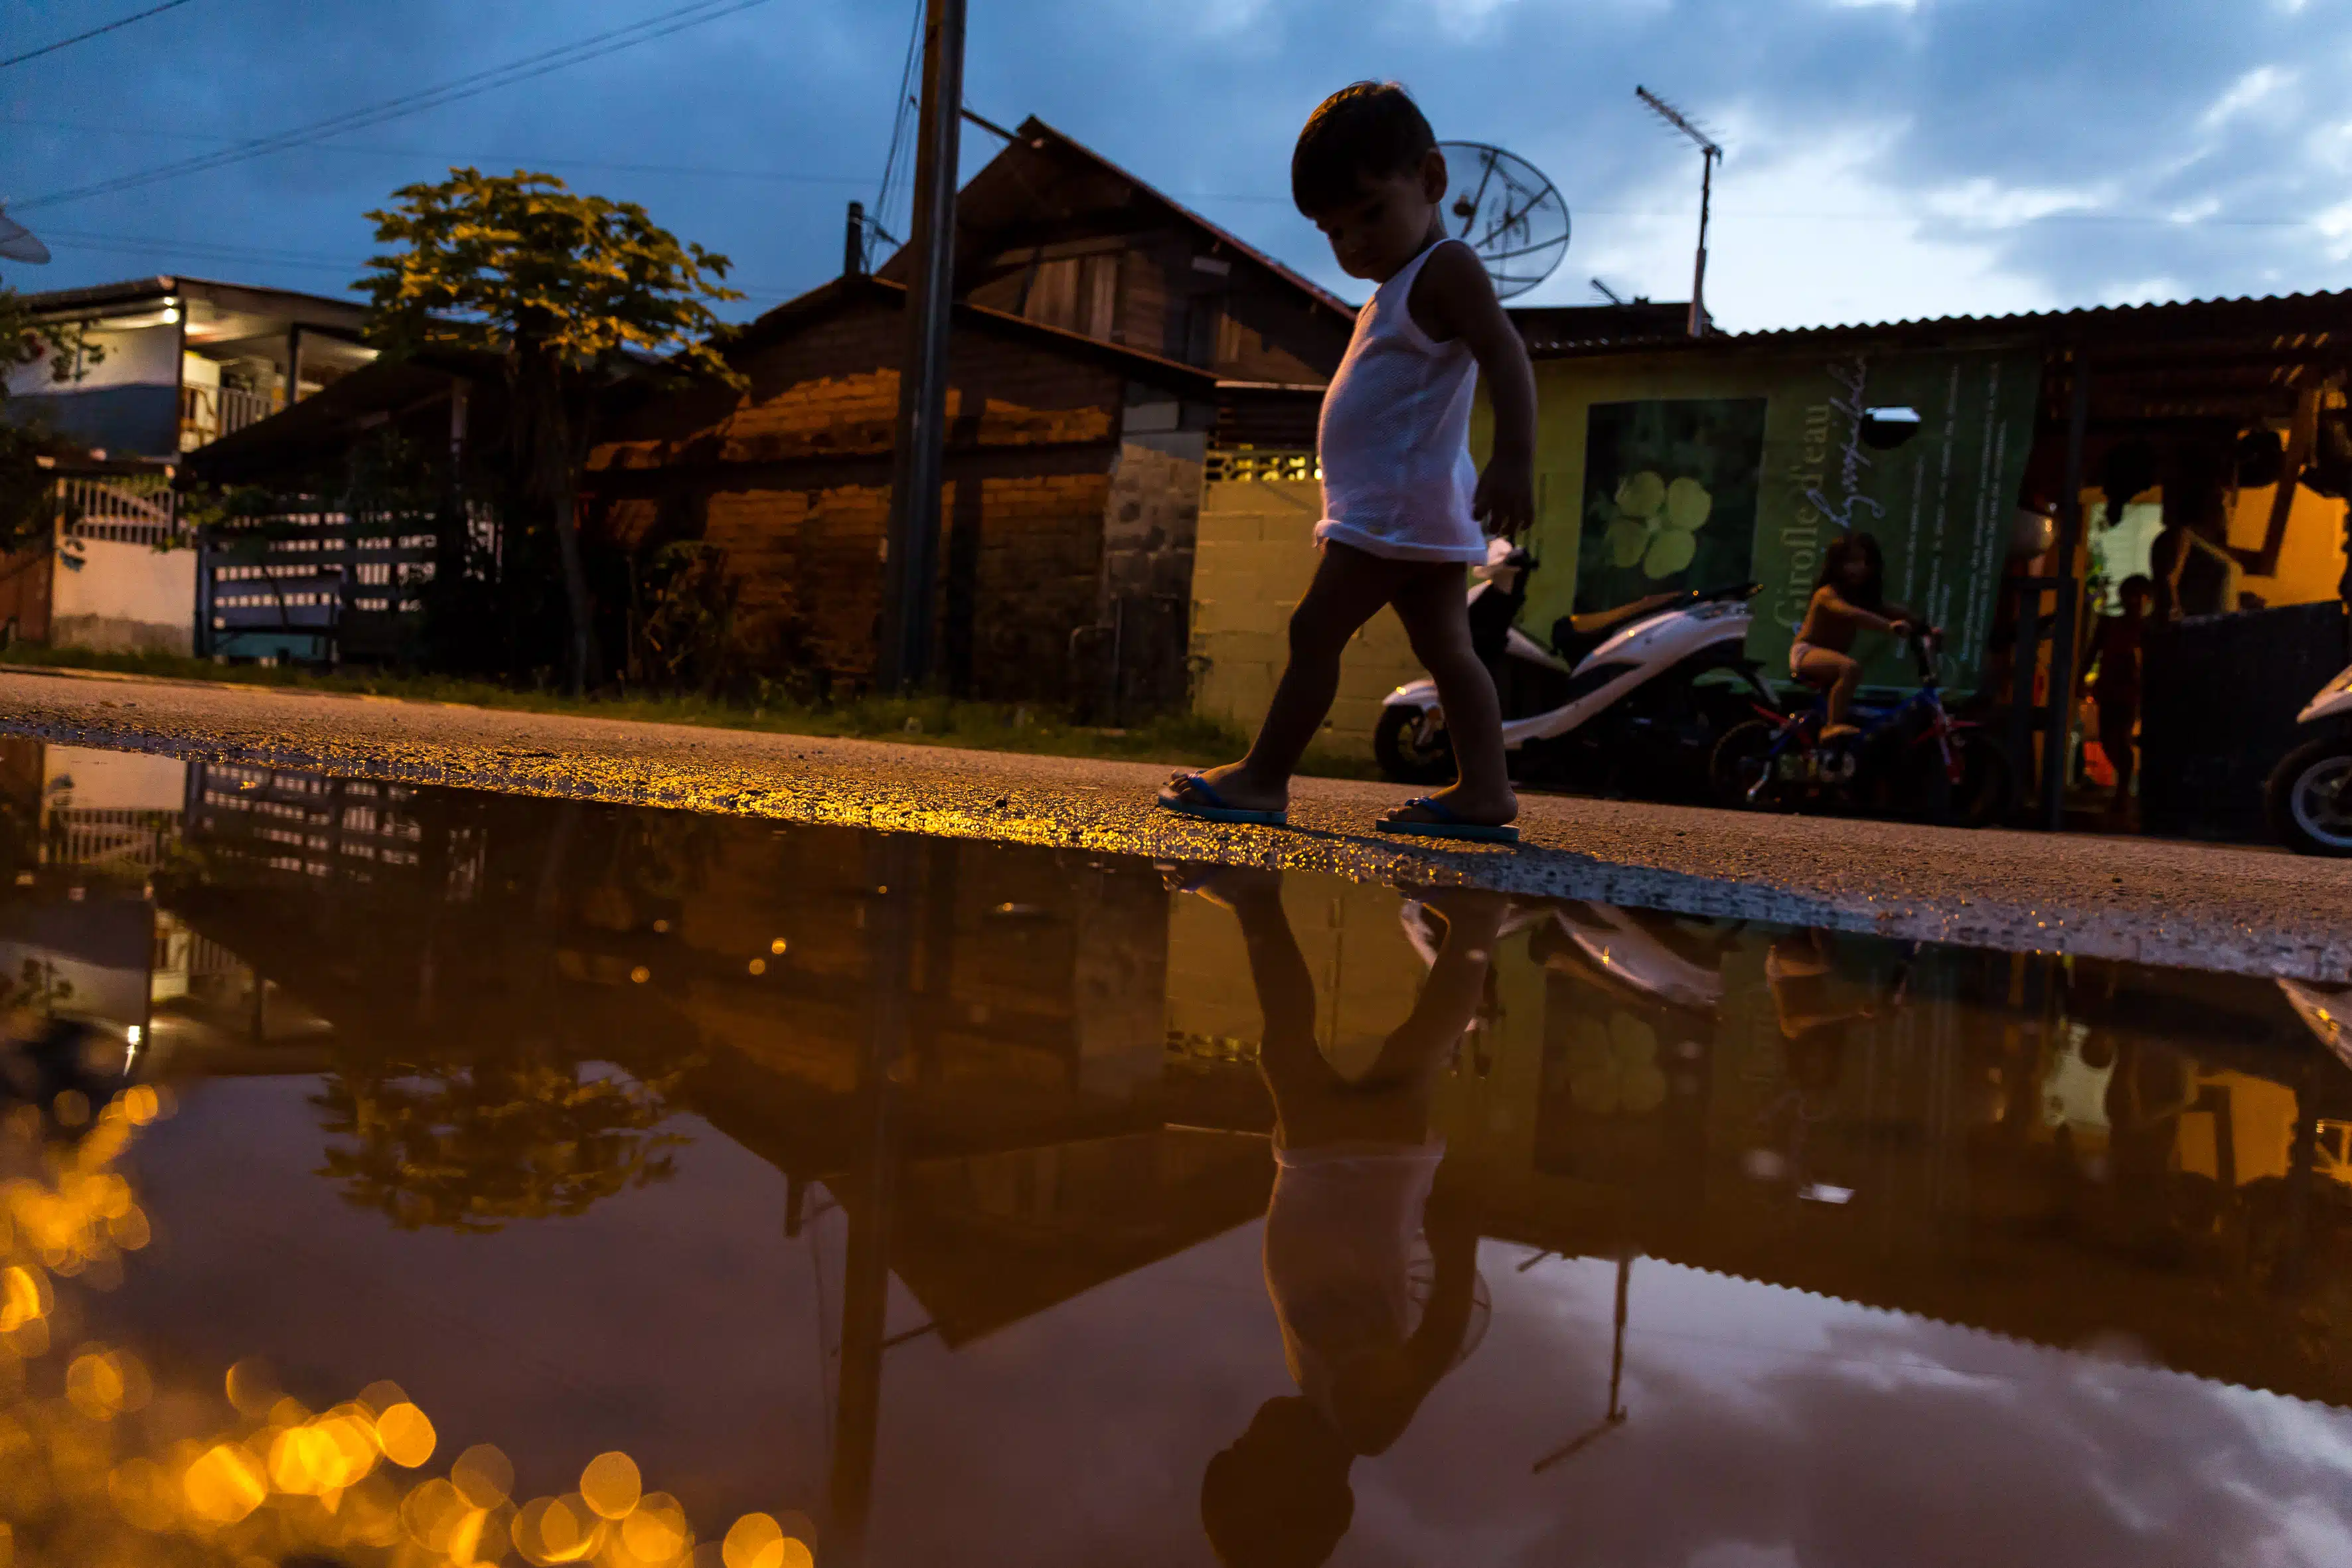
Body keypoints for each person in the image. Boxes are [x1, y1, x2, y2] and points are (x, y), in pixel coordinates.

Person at [1156, 81, 1537, 843]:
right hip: (1414, 502)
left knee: (1313, 633)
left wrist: (1515, 459)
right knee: (1448, 650)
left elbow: (1506, 352)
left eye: (1369, 212)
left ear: (1430, 182)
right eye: (1334, 230)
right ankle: (1485, 792)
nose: (1354, 242)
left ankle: (1263, 778)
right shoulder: (1398, 285)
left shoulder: (1446, 268)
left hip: (1396, 508)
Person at [1180, 865, 1494, 1567]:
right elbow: (1439, 1338)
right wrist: (1456, 1238)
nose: (1246, 1435)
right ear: (1294, 1486)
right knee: (1315, 1049)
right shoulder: (1362, 1418)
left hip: (1355, 1176)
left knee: (1402, 1054)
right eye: (1248, 1453)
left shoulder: (1327, 1398)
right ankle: (1262, 900)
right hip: (1346, 1177)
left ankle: (1472, 924)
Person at [1789, 532, 1918, 740]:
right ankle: (1832, 727)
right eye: (1853, 562)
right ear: (1837, 565)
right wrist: (1889, 627)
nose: (1861, 568)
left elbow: (1891, 610)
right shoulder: (1826, 594)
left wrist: (1925, 628)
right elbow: (1851, 613)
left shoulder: (1858, 597)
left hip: (1832, 656)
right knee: (1850, 669)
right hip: (1806, 653)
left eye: (1866, 562)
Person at [2091, 574, 2153, 829]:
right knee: (2107, 740)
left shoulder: (2148, 629)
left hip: (2130, 693)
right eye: (2130, 594)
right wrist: (2079, 680)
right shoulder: (2109, 625)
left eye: (2140, 595)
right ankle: (2123, 789)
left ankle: (2122, 793)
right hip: (2109, 690)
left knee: (2122, 739)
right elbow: (2092, 651)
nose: (2134, 600)